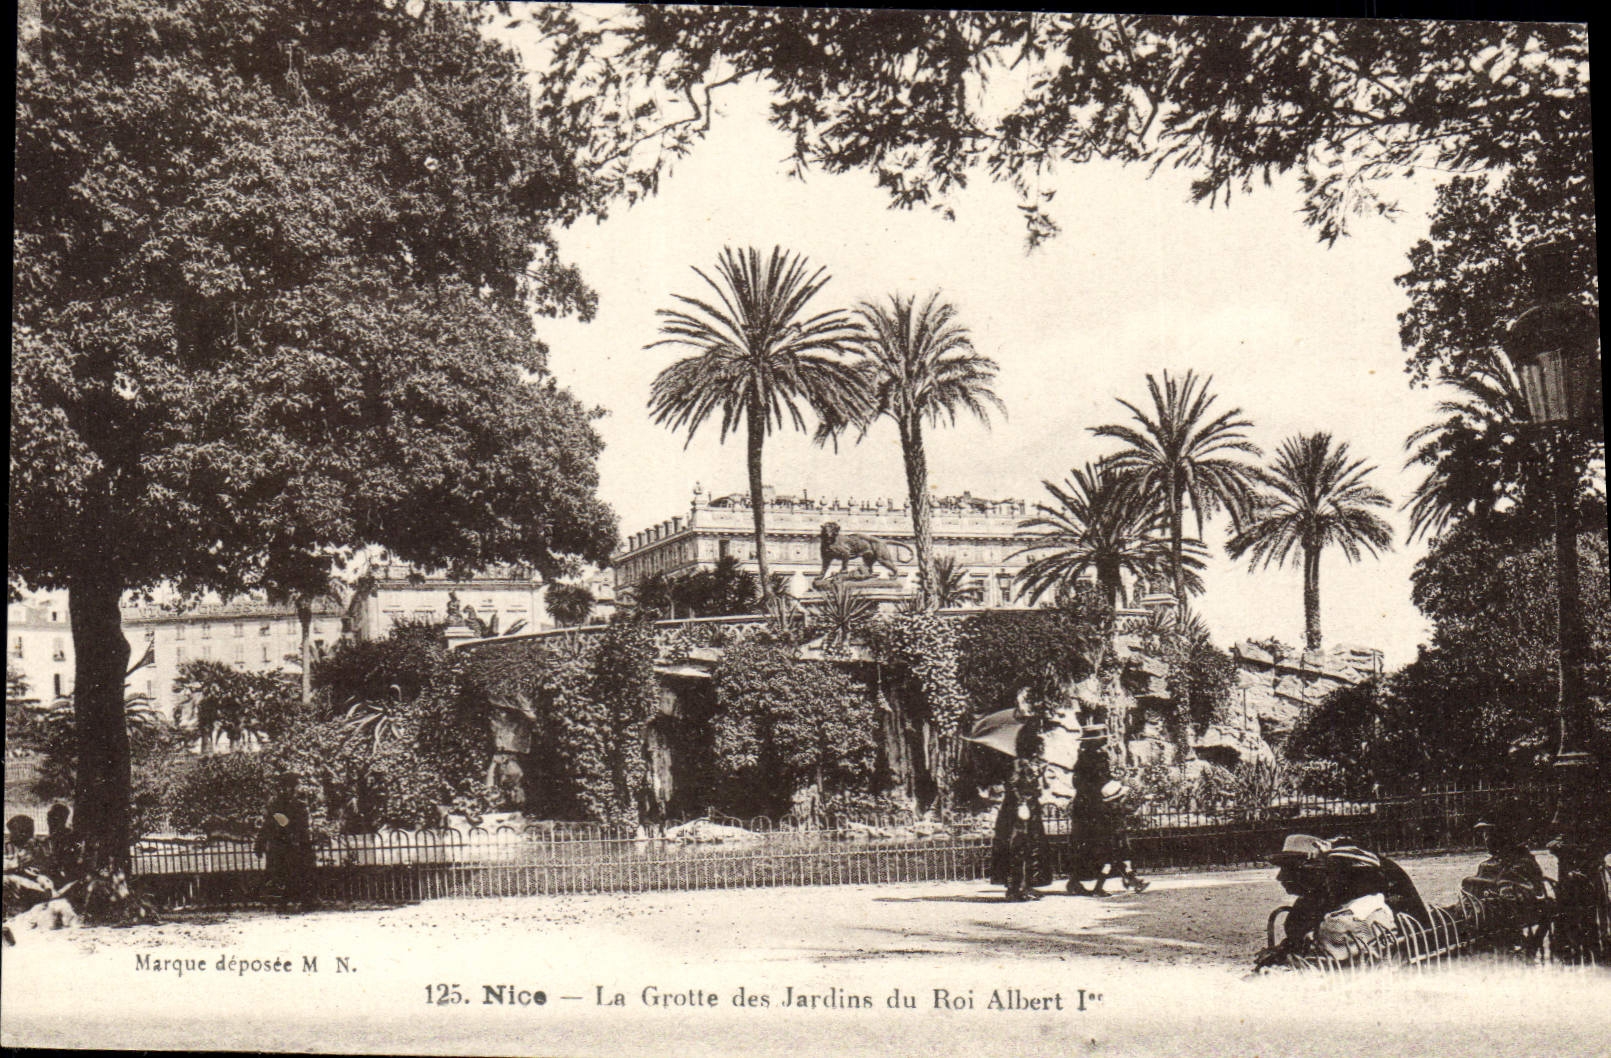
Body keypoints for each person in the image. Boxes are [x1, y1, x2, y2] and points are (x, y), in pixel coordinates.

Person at [988, 721, 1052, 901]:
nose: (1041, 747)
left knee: (1029, 846)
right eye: (1038, 744)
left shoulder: (1030, 763)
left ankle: (1026, 885)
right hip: (1019, 810)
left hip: (1028, 808)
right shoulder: (1017, 763)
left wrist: (1040, 775)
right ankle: (1017, 887)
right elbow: (1014, 785)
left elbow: (1035, 787)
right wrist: (1022, 802)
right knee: (1018, 846)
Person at [1253, 834, 1332, 969]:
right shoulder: (1305, 903)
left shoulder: (1333, 906)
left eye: (1288, 869)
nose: (1280, 877)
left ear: (1310, 872)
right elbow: (1296, 942)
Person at [254, 774, 317, 910]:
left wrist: (304, 841)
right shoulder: (277, 805)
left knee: (295, 873)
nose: (295, 789)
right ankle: (284, 902)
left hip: (292, 845)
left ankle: (295, 902)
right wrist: (260, 843)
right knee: (281, 873)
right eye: (294, 786)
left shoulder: (298, 805)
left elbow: (302, 827)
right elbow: (269, 825)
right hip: (282, 845)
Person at [1065, 725, 1112, 895]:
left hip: (1083, 805)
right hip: (1094, 805)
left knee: (1084, 845)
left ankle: (1075, 882)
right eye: (1102, 737)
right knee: (1100, 843)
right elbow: (1103, 780)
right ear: (1095, 741)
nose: (1105, 740)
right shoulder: (1097, 758)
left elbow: (1076, 783)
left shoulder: (1082, 758)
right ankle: (1096, 886)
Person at [1092, 781, 1148, 895]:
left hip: (1113, 839)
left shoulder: (1110, 808)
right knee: (1111, 863)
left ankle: (1134, 881)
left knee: (1120, 861)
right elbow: (1129, 811)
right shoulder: (1114, 809)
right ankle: (1098, 888)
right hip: (1113, 840)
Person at [40, 804, 80, 882]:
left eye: (54, 818)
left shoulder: (70, 838)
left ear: (63, 820)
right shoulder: (47, 840)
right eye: (49, 817)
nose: (49, 821)